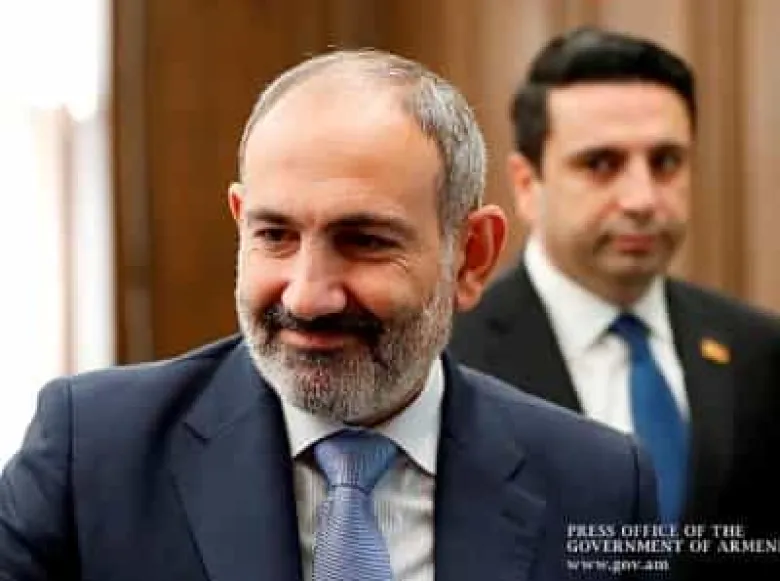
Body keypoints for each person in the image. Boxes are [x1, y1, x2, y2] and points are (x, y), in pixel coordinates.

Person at [0, 48, 660, 581]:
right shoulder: (91, 453)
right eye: (275, 235)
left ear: (471, 256)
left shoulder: (599, 485)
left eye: (365, 241)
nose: (307, 296)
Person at [449, 26, 780, 576]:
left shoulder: (757, 350)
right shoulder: (453, 355)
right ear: (527, 184)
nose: (642, 199)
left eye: (666, 162)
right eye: (601, 164)